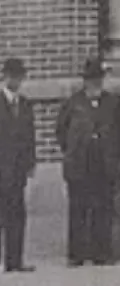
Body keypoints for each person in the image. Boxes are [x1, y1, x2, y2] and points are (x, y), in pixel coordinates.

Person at [56, 58, 120, 267]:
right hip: (79, 164)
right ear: (85, 81)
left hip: (104, 163)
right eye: (91, 79)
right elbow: (61, 132)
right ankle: (76, 254)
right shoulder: (72, 103)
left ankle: (101, 252)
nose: (95, 84)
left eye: (99, 79)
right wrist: (74, 150)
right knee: (79, 209)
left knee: (103, 208)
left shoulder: (112, 102)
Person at [0, 58, 36, 274]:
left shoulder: (25, 104)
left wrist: (30, 161)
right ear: (4, 77)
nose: (16, 80)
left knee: (17, 215)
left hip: (17, 170)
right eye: (12, 76)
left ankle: (15, 261)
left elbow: (29, 135)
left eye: (19, 76)